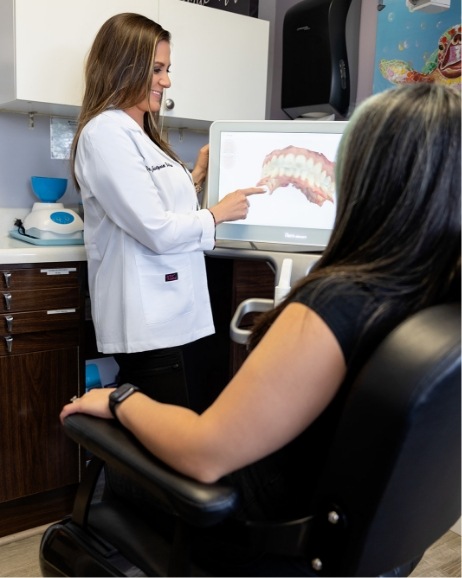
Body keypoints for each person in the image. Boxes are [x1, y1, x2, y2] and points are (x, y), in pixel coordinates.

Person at [62, 82, 461, 576]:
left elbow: (205, 454)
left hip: (260, 541)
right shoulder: (439, 301)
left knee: (118, 475)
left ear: (367, 180)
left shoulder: (337, 305)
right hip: (360, 551)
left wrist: (120, 400)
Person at [72, 12, 265, 406]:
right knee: (160, 439)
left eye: (167, 69)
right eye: (157, 69)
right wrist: (217, 214)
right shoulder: (105, 133)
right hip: (147, 321)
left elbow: (152, 204)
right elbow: (155, 229)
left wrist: (195, 175)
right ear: (125, 67)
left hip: (172, 315)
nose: (167, 80)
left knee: (174, 427)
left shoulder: (140, 133)